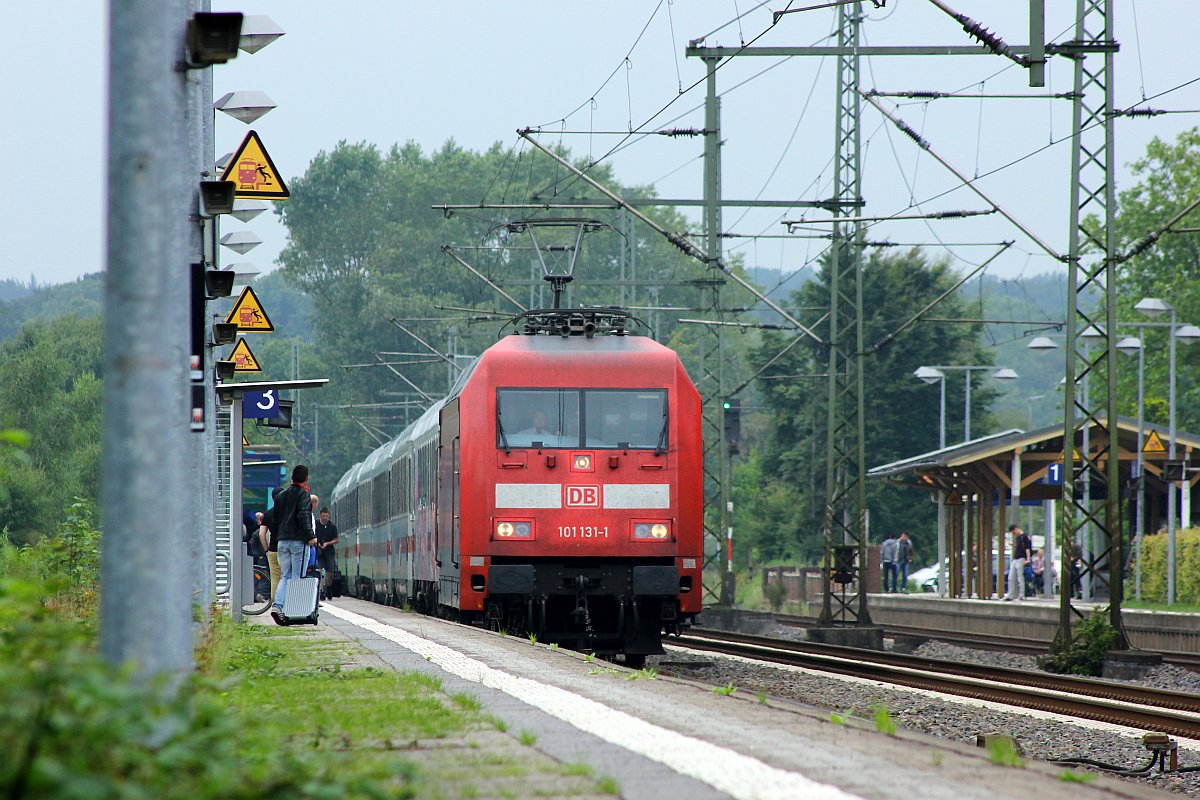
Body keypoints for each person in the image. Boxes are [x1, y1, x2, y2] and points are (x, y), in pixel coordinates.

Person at [271, 465, 317, 624]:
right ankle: (292, 611)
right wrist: (311, 536)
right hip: (299, 542)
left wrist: (278, 537)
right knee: (297, 577)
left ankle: (277, 606)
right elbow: (304, 516)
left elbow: (276, 520)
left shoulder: (281, 496)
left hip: (282, 542)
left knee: (285, 576)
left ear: (292, 478)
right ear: (306, 479)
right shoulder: (304, 495)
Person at [1002, 524, 1032, 601]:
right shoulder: (1018, 538)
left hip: (1021, 558)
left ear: (1016, 529)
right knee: (1011, 578)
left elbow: (1027, 548)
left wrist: (1028, 559)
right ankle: (1011, 595)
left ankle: (1021, 595)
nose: (1013, 534)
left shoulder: (1024, 537)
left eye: (1013, 532)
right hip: (1015, 559)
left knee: (1020, 577)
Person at [316, 506, 339, 599]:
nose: (325, 518)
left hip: (329, 551)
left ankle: (329, 587)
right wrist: (318, 544)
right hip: (319, 550)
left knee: (330, 572)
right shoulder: (316, 525)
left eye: (326, 516)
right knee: (319, 570)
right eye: (323, 516)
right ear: (320, 516)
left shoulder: (332, 526)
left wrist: (327, 543)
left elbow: (336, 540)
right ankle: (321, 591)